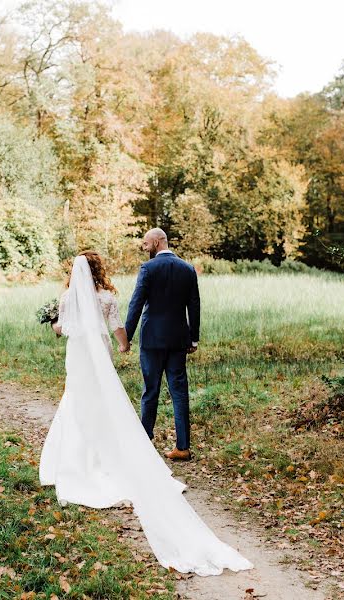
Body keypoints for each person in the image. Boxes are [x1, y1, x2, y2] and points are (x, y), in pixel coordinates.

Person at [39, 250, 252, 576]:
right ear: (99, 268)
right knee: (111, 402)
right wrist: (123, 344)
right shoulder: (107, 295)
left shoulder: (68, 296)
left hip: (78, 356)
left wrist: (53, 320)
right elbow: (116, 326)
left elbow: (61, 329)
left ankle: (77, 462)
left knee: (78, 402)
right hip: (104, 353)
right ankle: (147, 448)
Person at [125, 228, 199, 461]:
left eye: (146, 244)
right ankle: (183, 447)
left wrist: (126, 336)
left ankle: (145, 442)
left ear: (157, 242)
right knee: (179, 392)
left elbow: (136, 304)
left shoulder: (148, 269)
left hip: (152, 340)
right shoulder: (188, 269)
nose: (144, 248)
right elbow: (194, 305)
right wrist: (193, 337)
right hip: (178, 338)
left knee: (150, 390)